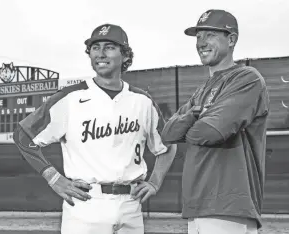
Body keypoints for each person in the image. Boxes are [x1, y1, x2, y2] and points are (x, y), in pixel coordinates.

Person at [13, 23, 177, 234]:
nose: (100, 53)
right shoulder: (70, 98)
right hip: (87, 203)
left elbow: (167, 146)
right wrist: (53, 177)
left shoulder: (142, 101)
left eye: (109, 47)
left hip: (131, 204)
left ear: (125, 56)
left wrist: (155, 182)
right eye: (95, 47)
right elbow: (23, 135)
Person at [161, 9, 270, 234]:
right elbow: (167, 134)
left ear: (231, 39)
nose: (201, 42)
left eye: (210, 34)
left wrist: (189, 126)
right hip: (196, 207)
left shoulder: (247, 78)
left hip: (230, 208)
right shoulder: (202, 90)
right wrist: (192, 117)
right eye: (198, 36)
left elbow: (208, 133)